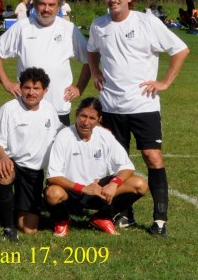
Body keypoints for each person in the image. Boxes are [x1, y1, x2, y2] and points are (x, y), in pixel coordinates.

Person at [87, 0, 189, 237]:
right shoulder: (99, 25)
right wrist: (95, 71)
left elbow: (180, 50)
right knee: (116, 163)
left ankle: (160, 219)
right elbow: (92, 50)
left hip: (144, 105)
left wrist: (165, 82)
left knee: (152, 156)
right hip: (111, 106)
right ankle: (124, 213)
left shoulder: (146, 22)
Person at [0, 0, 90, 126]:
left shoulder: (69, 29)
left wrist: (79, 88)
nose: (46, 9)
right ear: (35, 5)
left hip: (58, 109)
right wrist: (7, 83)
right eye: (42, 4)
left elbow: (90, 59)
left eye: (51, 5)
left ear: (59, 7)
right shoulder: (22, 27)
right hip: (26, 108)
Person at [45, 98, 149, 236]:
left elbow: (127, 167)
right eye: (83, 116)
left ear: (99, 119)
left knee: (140, 184)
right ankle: (61, 220)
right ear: (76, 114)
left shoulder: (105, 136)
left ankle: (102, 217)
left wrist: (113, 184)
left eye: (92, 118)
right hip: (71, 190)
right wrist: (83, 188)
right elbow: (53, 176)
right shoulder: (64, 136)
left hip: (98, 190)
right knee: (52, 193)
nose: (86, 122)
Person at [0, 67, 64, 240]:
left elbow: (62, 132)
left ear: (45, 90)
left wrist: (97, 130)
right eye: (27, 87)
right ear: (20, 88)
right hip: (12, 162)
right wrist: (3, 157)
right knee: (5, 172)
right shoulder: (9, 109)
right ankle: (8, 226)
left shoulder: (49, 110)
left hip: (33, 171)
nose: (31, 92)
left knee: (29, 228)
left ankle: (6, 210)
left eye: (36, 88)